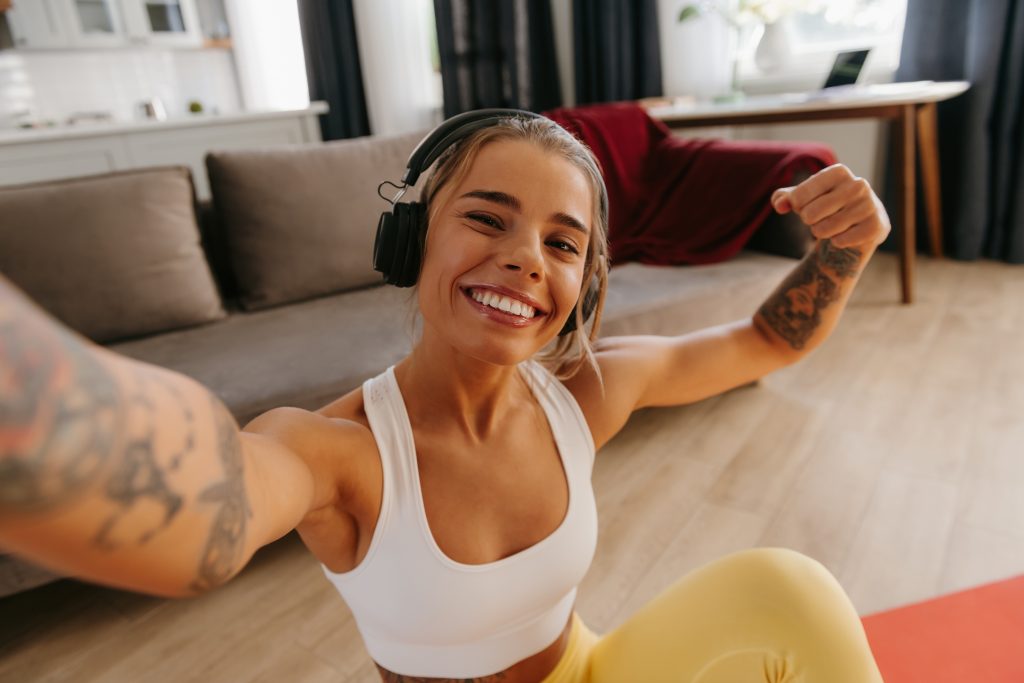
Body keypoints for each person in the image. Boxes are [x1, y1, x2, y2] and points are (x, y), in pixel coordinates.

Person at [0, 110, 889, 682]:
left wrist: (844, 250)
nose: (526, 257)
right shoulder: (336, 451)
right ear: (411, 239)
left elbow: (766, 339)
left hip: (589, 670)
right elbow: (201, 508)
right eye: (487, 217)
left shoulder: (587, 394)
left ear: (584, 280)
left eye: (562, 241)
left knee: (790, 589)